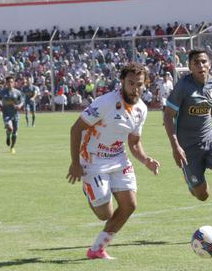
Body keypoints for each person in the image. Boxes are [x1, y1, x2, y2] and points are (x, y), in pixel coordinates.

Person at [66, 63, 160, 260]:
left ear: (145, 84)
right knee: (105, 214)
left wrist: (146, 160)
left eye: (139, 84)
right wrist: (76, 164)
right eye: (130, 83)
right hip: (93, 160)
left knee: (130, 205)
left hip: (119, 158)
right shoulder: (105, 102)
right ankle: (88, 188)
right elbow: (76, 129)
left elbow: (134, 142)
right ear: (122, 82)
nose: (135, 88)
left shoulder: (141, 109)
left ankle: (97, 249)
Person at [163, 49, 212, 243]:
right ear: (189, 66)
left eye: (204, 62)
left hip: (210, 141)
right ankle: (192, 181)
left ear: (209, 64)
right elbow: (167, 117)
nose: (201, 66)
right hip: (188, 148)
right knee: (202, 195)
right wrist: (175, 146)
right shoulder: (182, 87)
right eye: (196, 62)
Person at [0, 76, 23, 154]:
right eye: (8, 82)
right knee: (10, 128)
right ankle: (8, 136)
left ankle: (12, 147)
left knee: (15, 131)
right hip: (6, 114)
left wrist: (19, 106)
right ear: (6, 83)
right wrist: (1, 106)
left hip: (15, 114)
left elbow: (22, 101)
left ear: (14, 83)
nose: (10, 83)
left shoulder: (17, 92)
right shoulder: (2, 92)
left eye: (11, 82)